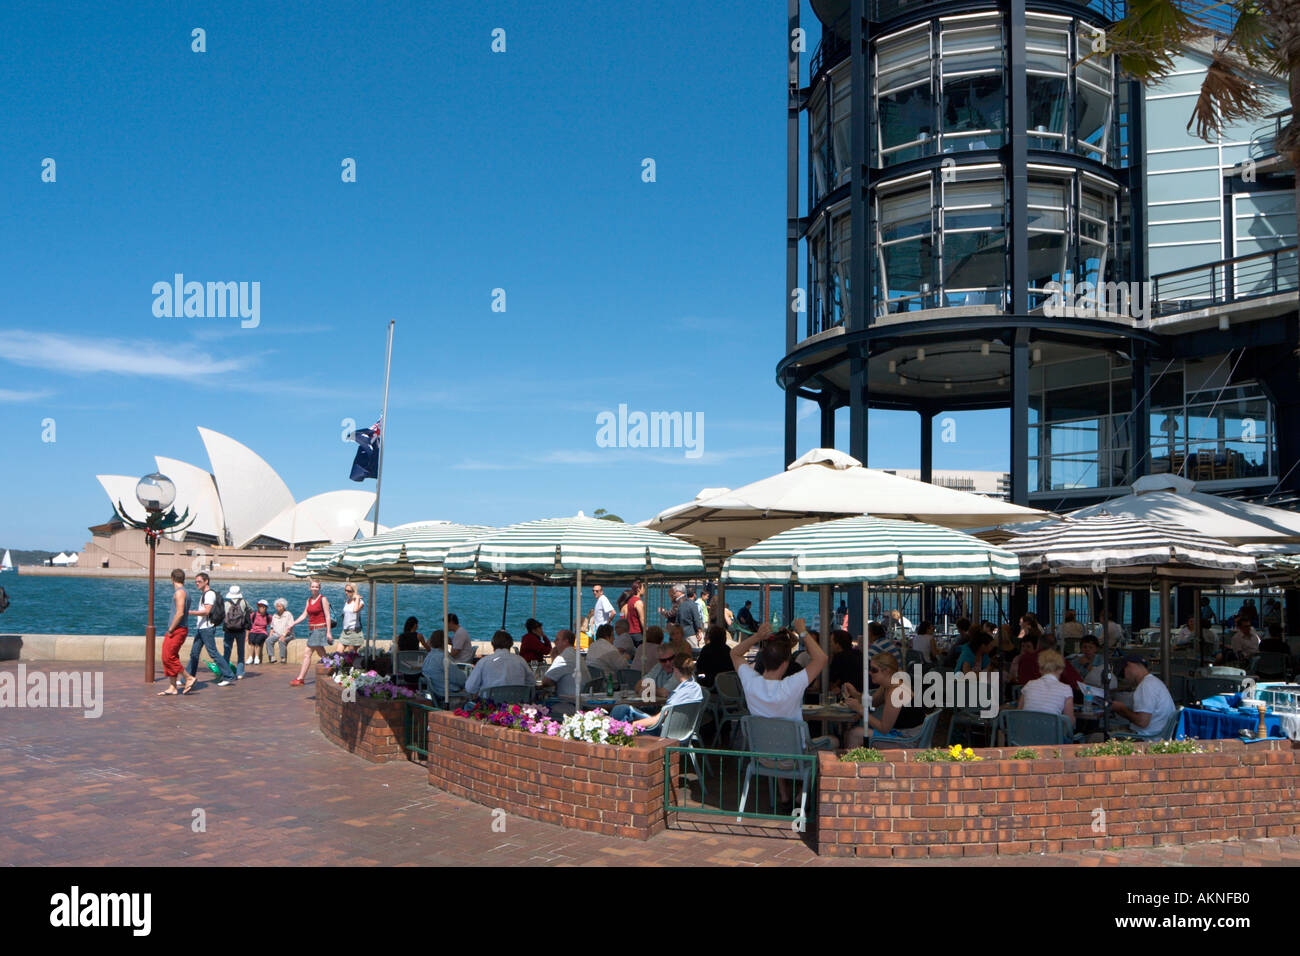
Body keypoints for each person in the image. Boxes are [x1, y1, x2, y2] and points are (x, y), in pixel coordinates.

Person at [729, 619, 836, 748]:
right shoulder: (792, 685)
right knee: (834, 741)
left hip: (762, 760)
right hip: (795, 761)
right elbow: (821, 658)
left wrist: (757, 636)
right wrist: (802, 631)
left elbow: (735, 653)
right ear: (785, 663)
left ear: (763, 659)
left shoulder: (751, 683)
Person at [841, 653, 927, 749]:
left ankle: (852, 763)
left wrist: (860, 710)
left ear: (886, 671)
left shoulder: (896, 692)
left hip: (906, 740)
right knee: (850, 733)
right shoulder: (888, 685)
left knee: (854, 734)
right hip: (903, 733)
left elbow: (884, 728)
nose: (870, 672)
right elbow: (872, 702)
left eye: (874, 670)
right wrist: (855, 693)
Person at [611, 652, 704, 734]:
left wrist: (634, 724)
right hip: (683, 732)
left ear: (675, 669)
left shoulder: (678, 694)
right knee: (623, 709)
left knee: (621, 709)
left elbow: (658, 719)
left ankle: (612, 742)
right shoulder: (696, 689)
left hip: (664, 734)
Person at [1108, 653, 1176, 738]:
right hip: (1156, 735)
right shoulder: (1153, 682)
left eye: (1123, 674)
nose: (1125, 678)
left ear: (1130, 665)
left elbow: (1142, 722)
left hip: (1147, 739)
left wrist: (1122, 709)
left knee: (1098, 737)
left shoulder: (1146, 686)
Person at [188, 572, 237, 687]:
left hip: (207, 628)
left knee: (213, 653)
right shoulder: (204, 594)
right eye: (195, 581)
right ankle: (189, 678)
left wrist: (189, 612)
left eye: (199, 581)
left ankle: (229, 675)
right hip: (202, 628)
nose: (197, 584)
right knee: (194, 653)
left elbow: (206, 611)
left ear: (206, 581)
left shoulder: (209, 594)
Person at [465, 630, 536, 696]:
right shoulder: (521, 661)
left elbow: (470, 688)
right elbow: (532, 682)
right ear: (511, 644)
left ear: (493, 644)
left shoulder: (483, 662)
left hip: (489, 707)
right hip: (516, 706)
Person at [290, 579, 332, 687]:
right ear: (310, 588)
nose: (314, 589)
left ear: (319, 588)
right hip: (312, 630)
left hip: (320, 629)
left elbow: (328, 616)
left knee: (307, 653)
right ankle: (334, 668)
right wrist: (293, 623)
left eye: (316, 587)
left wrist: (329, 632)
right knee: (321, 653)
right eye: (313, 587)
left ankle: (301, 678)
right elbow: (304, 615)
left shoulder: (323, 599)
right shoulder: (308, 600)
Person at [1018, 649, 1075, 730]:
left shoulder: (1029, 685)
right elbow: (1069, 722)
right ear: (1061, 669)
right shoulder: (1066, 689)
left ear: (1040, 669)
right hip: (1053, 739)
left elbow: (1019, 713)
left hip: (1024, 738)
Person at [158, 569, 193, 696]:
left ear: (172, 578)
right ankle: (172, 687)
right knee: (170, 656)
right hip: (180, 629)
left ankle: (188, 677)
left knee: (168, 657)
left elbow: (179, 613)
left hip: (178, 629)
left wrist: (171, 629)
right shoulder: (186, 592)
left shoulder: (180, 593)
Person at [420, 630, 466, 703]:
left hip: (435, 695)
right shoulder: (444, 658)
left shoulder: (428, 657)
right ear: (445, 641)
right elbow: (461, 680)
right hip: (449, 696)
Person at [541, 630, 588, 698]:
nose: (554, 642)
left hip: (568, 701)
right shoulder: (577, 656)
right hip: (580, 698)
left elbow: (546, 682)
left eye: (557, 640)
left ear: (566, 641)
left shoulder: (562, 658)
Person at [221, 584, 252, 680]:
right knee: (241, 652)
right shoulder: (244, 602)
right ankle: (240, 673)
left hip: (228, 630)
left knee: (227, 651)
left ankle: (226, 672)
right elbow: (251, 610)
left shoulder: (226, 604)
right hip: (240, 630)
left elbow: (222, 615)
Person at [695, 624, 734, 688]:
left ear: (711, 637)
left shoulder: (706, 649)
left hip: (711, 683)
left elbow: (699, 667)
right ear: (724, 638)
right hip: (728, 684)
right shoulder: (728, 650)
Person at [338, 583, 365, 649]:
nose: (346, 592)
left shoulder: (360, 602)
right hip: (345, 631)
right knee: (338, 652)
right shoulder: (347, 601)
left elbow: (355, 610)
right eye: (345, 590)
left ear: (354, 591)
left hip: (354, 631)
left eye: (349, 591)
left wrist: (357, 598)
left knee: (351, 655)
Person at [267, 598, 294, 664]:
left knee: (281, 640)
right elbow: (272, 628)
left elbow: (290, 626)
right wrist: (270, 636)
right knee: (268, 640)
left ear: (283, 607)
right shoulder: (274, 616)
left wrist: (284, 635)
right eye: (277, 606)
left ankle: (283, 658)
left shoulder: (288, 614)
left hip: (288, 634)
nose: (278, 608)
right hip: (276, 634)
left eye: (279, 606)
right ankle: (272, 657)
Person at [247, 598, 271, 665]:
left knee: (258, 641)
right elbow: (249, 624)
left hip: (262, 632)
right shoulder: (253, 615)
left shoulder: (268, 616)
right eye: (260, 606)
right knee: (251, 641)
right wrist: (247, 635)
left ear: (266, 608)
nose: (261, 608)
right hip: (253, 630)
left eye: (263, 607)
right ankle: (250, 657)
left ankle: (257, 657)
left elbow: (270, 624)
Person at [622, 580, 645, 646]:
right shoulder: (638, 602)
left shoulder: (629, 601)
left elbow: (625, 616)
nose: (644, 590)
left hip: (629, 633)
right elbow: (642, 619)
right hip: (638, 633)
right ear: (638, 589)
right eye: (643, 588)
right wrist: (646, 632)